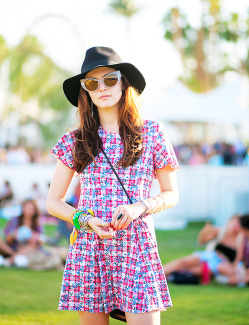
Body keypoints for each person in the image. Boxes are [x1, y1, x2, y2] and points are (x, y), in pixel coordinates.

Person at [46, 46, 179, 325]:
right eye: (92, 83)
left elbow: (171, 193)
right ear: (86, 91)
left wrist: (139, 207)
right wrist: (86, 220)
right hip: (91, 247)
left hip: (138, 246)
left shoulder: (152, 132)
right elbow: (53, 202)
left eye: (109, 79)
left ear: (124, 82)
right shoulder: (75, 140)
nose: (101, 88)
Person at [163, 215, 245, 285]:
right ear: (229, 222)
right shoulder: (220, 231)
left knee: (195, 271)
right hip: (210, 255)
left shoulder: (241, 238)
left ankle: (169, 276)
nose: (235, 226)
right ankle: (159, 274)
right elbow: (201, 242)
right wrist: (205, 232)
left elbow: (239, 258)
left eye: (238, 224)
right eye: (234, 223)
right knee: (183, 262)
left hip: (220, 265)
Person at [0, 199, 43, 266]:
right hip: (12, 246)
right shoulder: (15, 219)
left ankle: (12, 259)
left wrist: (33, 236)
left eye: (32, 209)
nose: (30, 211)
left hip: (26, 248)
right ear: (23, 208)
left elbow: (41, 239)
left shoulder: (36, 223)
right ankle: (13, 256)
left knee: (33, 245)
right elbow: (7, 235)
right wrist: (13, 235)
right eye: (28, 208)